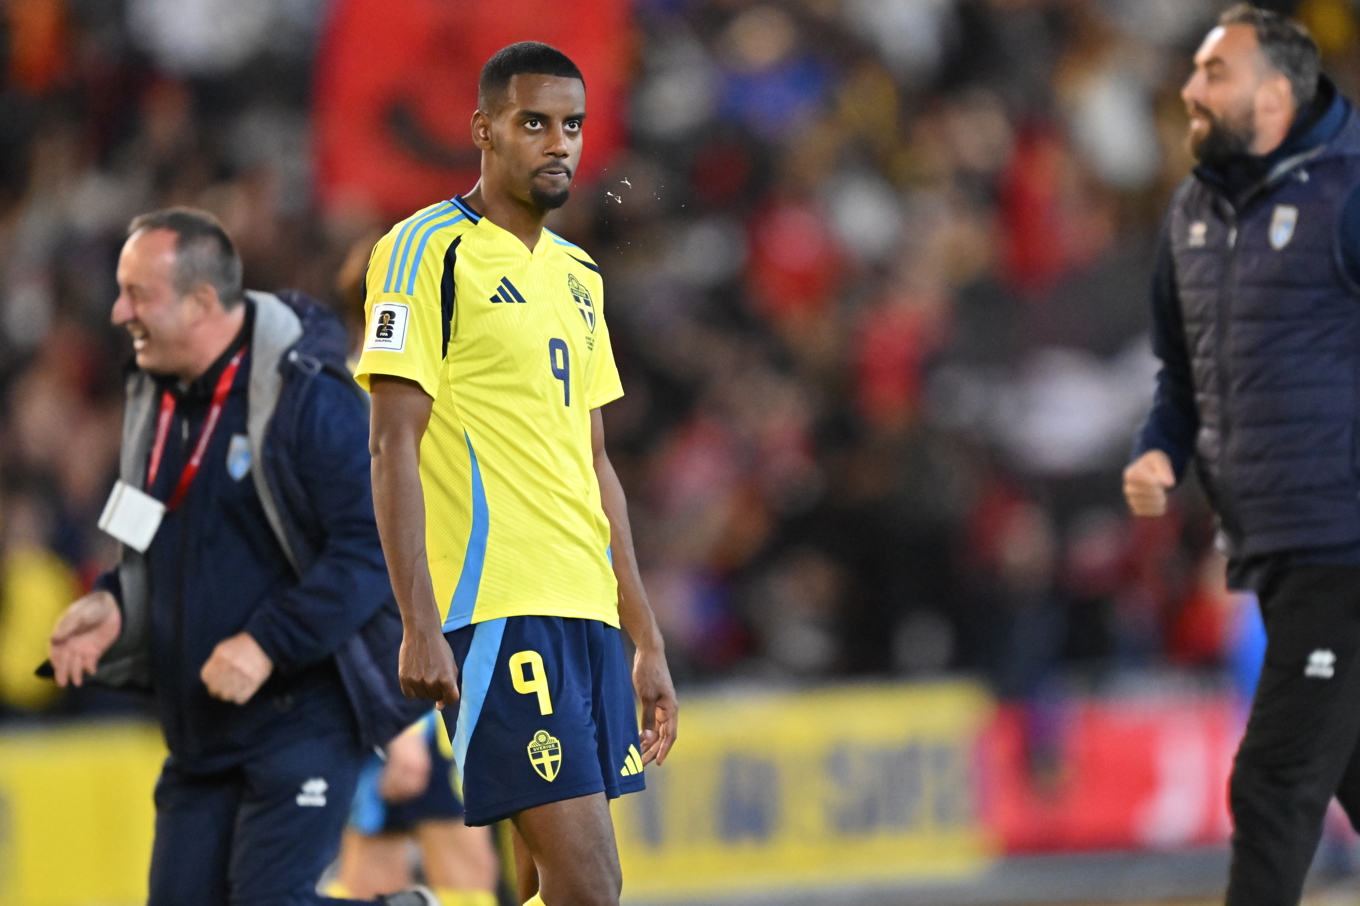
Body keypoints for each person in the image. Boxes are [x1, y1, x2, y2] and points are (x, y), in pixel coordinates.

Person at [356, 42, 678, 906]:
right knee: (591, 887)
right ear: (483, 130)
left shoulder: (579, 276)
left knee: (537, 884)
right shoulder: (424, 251)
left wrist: (640, 630)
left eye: (571, 125)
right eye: (533, 122)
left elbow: (595, 460)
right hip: (494, 610)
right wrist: (417, 618)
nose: (557, 143)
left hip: (582, 611)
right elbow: (391, 445)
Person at [46, 207, 431, 906]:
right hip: (199, 733)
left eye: (138, 294)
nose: (117, 311)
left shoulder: (310, 397)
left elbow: (374, 548)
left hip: (300, 716)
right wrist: (113, 600)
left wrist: (266, 642)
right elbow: (138, 525)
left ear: (199, 302)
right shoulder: (154, 400)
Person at [1125, 7, 1360, 904]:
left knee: (1273, 780)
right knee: (1340, 768)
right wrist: (1159, 452)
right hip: (1272, 545)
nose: (1188, 89)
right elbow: (1180, 378)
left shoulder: (1349, 194)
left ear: (1273, 94)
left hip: (1344, 544)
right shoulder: (1190, 215)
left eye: (1212, 73)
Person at [327, 712, 499, 905]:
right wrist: (400, 727)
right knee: (372, 883)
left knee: (470, 883)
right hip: (407, 718)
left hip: (441, 718)